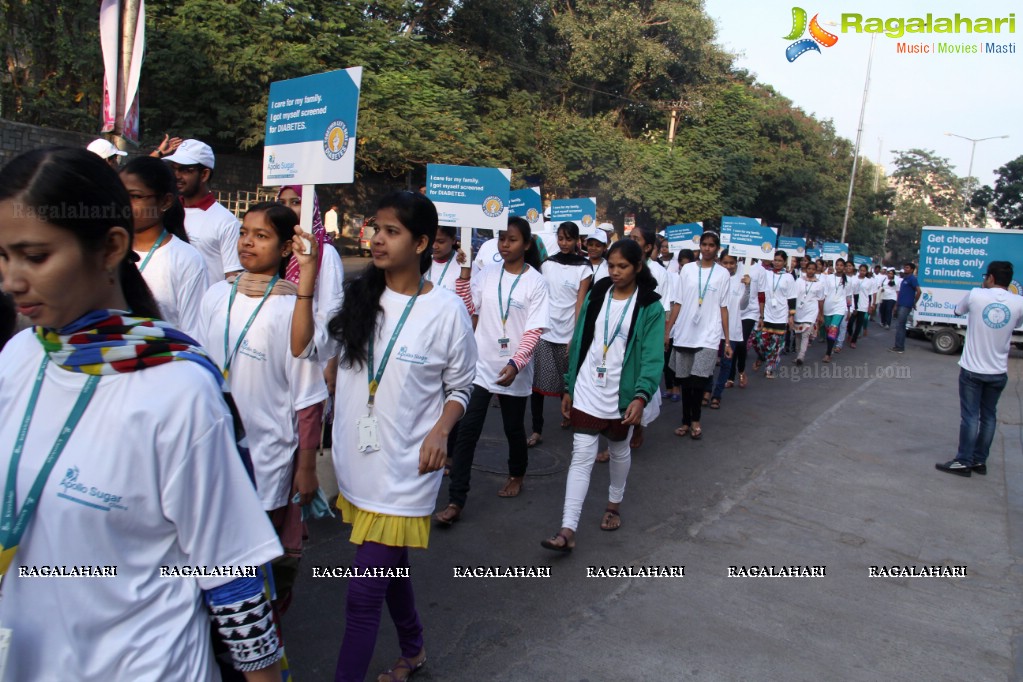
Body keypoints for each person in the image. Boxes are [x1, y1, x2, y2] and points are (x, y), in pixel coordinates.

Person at [0, 147, 284, 680]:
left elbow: (231, 574)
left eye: (35, 257)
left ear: (109, 247)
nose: (12, 280)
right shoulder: (19, 357)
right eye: (3, 256)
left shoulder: (178, 392)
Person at [315, 190, 476, 681]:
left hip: (407, 467)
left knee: (363, 591)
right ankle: (414, 649)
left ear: (422, 242)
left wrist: (442, 431)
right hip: (359, 457)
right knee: (389, 566)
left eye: (391, 231)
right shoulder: (360, 295)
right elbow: (327, 358)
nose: (377, 239)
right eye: (375, 228)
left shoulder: (447, 310)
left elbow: (461, 385)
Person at [196, 202, 328, 611]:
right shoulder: (217, 295)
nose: (248, 242)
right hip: (212, 448)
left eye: (262, 235)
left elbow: (308, 401)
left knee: (255, 561)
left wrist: (306, 468)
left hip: (266, 456)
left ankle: (262, 642)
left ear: (287, 247)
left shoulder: (294, 312)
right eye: (244, 232)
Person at [540, 239, 664, 551]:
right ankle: (567, 528)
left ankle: (613, 505)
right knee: (581, 456)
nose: (615, 271)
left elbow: (652, 356)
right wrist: (568, 385)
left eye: (622, 266)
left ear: (637, 266)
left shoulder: (650, 306)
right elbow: (581, 338)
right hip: (587, 387)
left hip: (621, 393)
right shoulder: (598, 293)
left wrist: (641, 395)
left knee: (619, 450)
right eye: (611, 266)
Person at [436, 216, 549, 523]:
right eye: (501, 239)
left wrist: (516, 363)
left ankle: (516, 473)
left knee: (513, 429)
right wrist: (464, 272)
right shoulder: (488, 273)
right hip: (481, 367)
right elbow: (468, 305)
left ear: (526, 244)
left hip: (515, 369)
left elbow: (534, 330)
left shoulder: (535, 281)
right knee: (467, 432)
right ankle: (456, 500)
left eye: (511, 240)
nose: (504, 245)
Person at [935, 261, 1023, 477]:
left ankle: (963, 461)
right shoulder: (1019, 302)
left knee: (970, 417)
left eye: (986, 276)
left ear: (990, 278)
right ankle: (979, 461)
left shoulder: (976, 294)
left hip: (973, 369)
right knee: (989, 417)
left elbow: (957, 311)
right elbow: (1017, 324)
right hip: (998, 371)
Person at [119, 156, 208, 337]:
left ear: (166, 201)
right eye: (120, 195)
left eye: (135, 196)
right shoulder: (109, 250)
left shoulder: (186, 260)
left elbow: (193, 334)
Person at [529, 221, 591, 448]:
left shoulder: (584, 267)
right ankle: (537, 429)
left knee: (571, 382)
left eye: (569, 239)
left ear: (577, 241)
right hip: (545, 332)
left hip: (568, 334)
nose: (564, 243)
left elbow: (580, 302)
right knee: (537, 385)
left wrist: (575, 336)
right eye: (561, 238)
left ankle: (572, 417)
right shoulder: (546, 264)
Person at [668, 231, 731, 438]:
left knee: (698, 381)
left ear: (717, 248)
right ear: (700, 246)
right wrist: (668, 330)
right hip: (685, 332)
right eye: (704, 244)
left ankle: (695, 421)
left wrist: (727, 340)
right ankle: (685, 422)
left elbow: (724, 307)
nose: (707, 248)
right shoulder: (687, 270)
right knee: (685, 382)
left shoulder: (722, 274)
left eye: (712, 245)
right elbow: (678, 301)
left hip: (709, 336)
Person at [162, 138, 243, 286]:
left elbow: (233, 278)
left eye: (186, 170)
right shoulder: (166, 212)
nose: (177, 176)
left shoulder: (226, 221)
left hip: (205, 308)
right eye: (174, 168)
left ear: (204, 174)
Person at [709, 251, 749, 408]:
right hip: (713, 327)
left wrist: (747, 287)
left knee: (726, 364)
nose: (728, 266)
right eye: (725, 263)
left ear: (736, 264)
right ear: (720, 262)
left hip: (731, 330)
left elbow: (743, 305)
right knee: (709, 362)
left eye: (731, 263)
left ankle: (716, 395)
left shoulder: (740, 281)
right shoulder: (714, 279)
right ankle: (706, 390)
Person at [751, 250, 797, 379]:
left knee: (777, 344)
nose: (777, 263)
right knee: (758, 340)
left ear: (784, 262)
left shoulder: (788, 277)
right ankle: (761, 357)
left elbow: (792, 297)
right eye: (775, 260)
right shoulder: (765, 273)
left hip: (781, 314)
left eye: (780, 261)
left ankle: (770, 368)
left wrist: (791, 315)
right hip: (765, 313)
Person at [793, 261, 825, 365]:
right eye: (809, 268)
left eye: (813, 269)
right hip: (799, 310)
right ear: (806, 269)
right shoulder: (799, 281)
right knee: (798, 334)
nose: (810, 271)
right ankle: (798, 353)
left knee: (805, 334)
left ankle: (801, 356)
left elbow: (820, 299)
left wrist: (820, 314)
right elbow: (793, 295)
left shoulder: (819, 283)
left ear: (816, 270)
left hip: (811, 311)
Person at [820, 257, 852, 363]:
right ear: (835, 266)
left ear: (844, 267)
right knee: (829, 330)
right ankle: (830, 346)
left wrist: (849, 310)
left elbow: (848, 296)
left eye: (841, 265)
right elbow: (823, 295)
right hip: (828, 307)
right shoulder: (828, 278)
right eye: (837, 265)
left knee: (833, 330)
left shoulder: (848, 280)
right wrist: (820, 311)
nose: (839, 267)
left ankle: (828, 354)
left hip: (840, 308)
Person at [890, 262, 921, 353]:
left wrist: (914, 302)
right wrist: (896, 305)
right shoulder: (905, 279)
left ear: (912, 269)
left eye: (907, 268)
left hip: (905, 305)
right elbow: (900, 293)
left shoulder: (912, 279)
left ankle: (899, 347)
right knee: (900, 325)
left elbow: (919, 291)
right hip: (901, 304)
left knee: (900, 326)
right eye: (905, 267)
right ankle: (898, 346)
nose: (905, 269)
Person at [846, 264, 872, 348]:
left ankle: (854, 341)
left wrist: (869, 306)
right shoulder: (854, 279)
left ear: (866, 271)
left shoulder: (869, 281)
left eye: (864, 271)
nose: (862, 272)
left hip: (863, 304)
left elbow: (869, 295)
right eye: (861, 270)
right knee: (850, 322)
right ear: (858, 270)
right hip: (854, 304)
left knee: (859, 324)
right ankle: (850, 333)